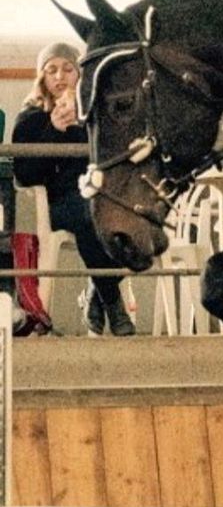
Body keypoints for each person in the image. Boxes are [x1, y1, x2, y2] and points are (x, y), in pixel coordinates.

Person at [12, 42, 136, 336]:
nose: (60, 77)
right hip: (59, 205)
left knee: (124, 221)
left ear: (80, 75)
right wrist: (53, 131)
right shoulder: (30, 118)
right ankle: (113, 302)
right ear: (42, 77)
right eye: (52, 70)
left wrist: (84, 122)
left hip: (104, 196)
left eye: (68, 69)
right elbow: (25, 176)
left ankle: (97, 289)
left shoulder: (97, 115)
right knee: (87, 212)